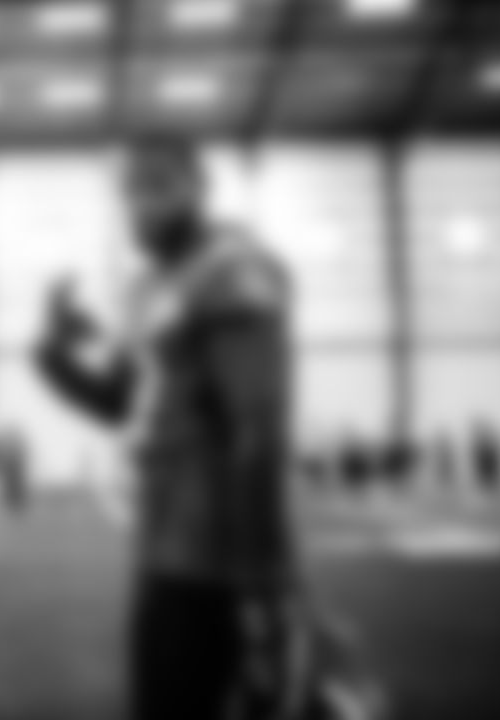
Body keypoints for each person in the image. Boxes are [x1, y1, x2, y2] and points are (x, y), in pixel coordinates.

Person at [34, 132, 318, 719]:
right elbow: (117, 404)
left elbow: (260, 429)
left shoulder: (232, 269)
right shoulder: (147, 286)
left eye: (159, 185)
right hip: (163, 545)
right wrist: (53, 353)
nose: (142, 204)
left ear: (199, 186)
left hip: (218, 558)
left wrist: (260, 579)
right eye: (131, 191)